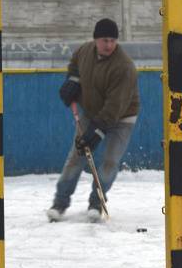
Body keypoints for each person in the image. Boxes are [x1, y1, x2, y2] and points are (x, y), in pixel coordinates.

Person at [47, 18, 140, 223]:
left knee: (109, 162)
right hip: (90, 112)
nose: (109, 45)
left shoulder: (124, 67)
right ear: (95, 39)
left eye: (113, 41)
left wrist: (95, 134)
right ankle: (60, 203)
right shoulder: (84, 52)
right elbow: (74, 68)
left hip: (121, 118)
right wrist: (72, 82)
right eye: (105, 40)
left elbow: (115, 107)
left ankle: (96, 203)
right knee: (76, 157)